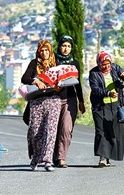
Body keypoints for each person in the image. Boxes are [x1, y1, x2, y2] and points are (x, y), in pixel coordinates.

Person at [21, 39, 61, 172]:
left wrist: (58, 88)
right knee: (35, 131)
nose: (44, 53)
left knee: (51, 130)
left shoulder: (56, 64)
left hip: (53, 100)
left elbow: (63, 80)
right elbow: (24, 78)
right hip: (37, 101)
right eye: (41, 51)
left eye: (46, 50)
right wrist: (36, 81)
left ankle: (48, 160)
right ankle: (35, 158)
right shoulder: (34, 64)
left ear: (50, 51)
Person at [89, 50, 124, 167]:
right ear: (99, 63)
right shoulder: (94, 73)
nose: (106, 66)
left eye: (108, 63)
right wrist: (108, 93)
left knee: (113, 131)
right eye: (103, 64)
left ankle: (109, 157)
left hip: (115, 105)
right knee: (101, 130)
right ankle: (102, 158)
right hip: (100, 106)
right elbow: (95, 89)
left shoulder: (115, 68)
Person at [53, 35, 86, 168]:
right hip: (54, 99)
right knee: (54, 130)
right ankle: (52, 156)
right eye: (63, 45)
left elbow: (77, 84)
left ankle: (61, 158)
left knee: (66, 129)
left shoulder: (74, 63)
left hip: (70, 99)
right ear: (59, 46)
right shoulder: (53, 61)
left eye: (68, 46)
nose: (65, 49)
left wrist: (81, 101)